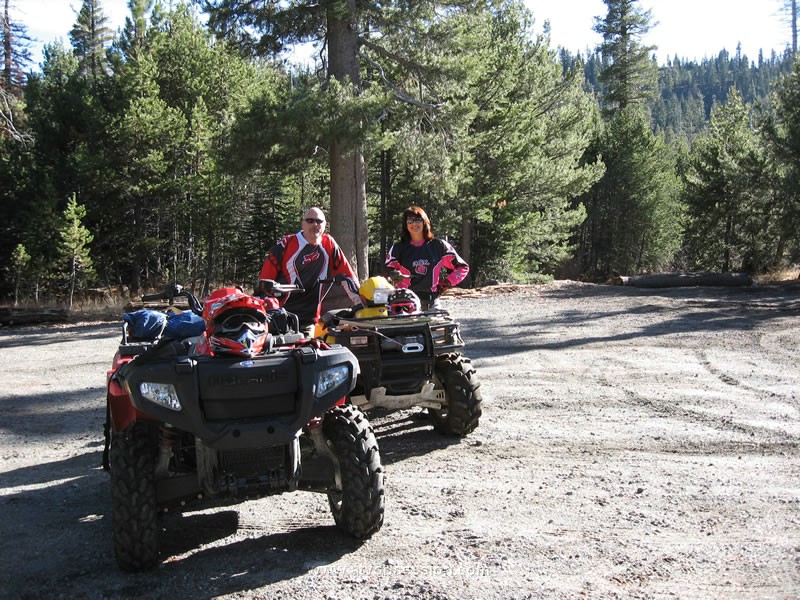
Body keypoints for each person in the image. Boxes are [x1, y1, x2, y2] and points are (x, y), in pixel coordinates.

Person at [258, 207, 362, 337]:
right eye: (310, 221)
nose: (315, 225)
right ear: (302, 223)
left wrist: (361, 303)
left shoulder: (329, 244)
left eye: (319, 221)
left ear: (325, 225)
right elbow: (264, 283)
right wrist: (266, 310)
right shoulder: (286, 244)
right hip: (280, 318)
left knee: (309, 348)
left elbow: (348, 277)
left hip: (309, 319)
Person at [384, 205, 469, 310]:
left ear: (425, 221)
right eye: (410, 221)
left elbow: (462, 267)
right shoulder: (397, 248)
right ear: (405, 225)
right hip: (405, 300)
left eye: (417, 220)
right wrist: (393, 277)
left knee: (436, 320)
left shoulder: (439, 245)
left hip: (431, 299)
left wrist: (447, 282)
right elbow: (387, 273)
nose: (414, 224)